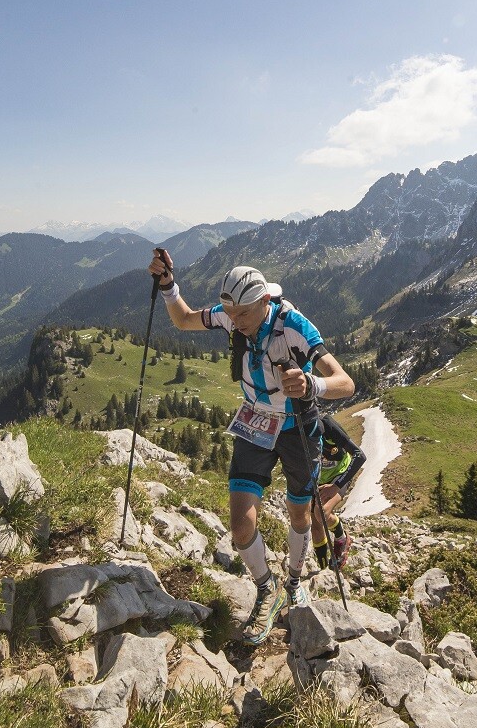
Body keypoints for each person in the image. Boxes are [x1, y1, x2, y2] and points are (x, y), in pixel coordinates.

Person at [147, 253, 355, 644]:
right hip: (256, 421)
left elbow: (346, 382)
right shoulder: (230, 314)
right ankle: (266, 588)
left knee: (299, 514)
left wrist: (313, 385)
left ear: (264, 302)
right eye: (231, 314)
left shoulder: (294, 326)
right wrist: (167, 287)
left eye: (243, 314)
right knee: (241, 522)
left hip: (297, 425)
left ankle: (294, 579)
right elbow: (184, 318)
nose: (235, 322)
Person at [312, 414, 366, 570]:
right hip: (317, 479)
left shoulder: (327, 424)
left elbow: (359, 455)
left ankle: (342, 538)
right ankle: (322, 570)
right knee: (315, 525)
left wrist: (336, 485)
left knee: (321, 513)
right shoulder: (295, 429)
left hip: (339, 476)